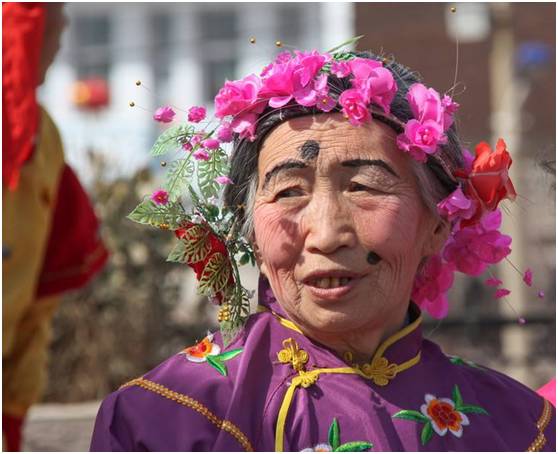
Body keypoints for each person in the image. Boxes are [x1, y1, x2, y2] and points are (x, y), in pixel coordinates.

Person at [90, 44, 555, 451]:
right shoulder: (164, 420)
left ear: (437, 224)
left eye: (363, 187)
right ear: (251, 229)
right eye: (289, 191)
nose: (327, 234)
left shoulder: (521, 430)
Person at [3, 4, 108, 450]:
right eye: (49, 23)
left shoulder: (42, 137)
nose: (61, 35)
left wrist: (12, 410)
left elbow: (39, 300)